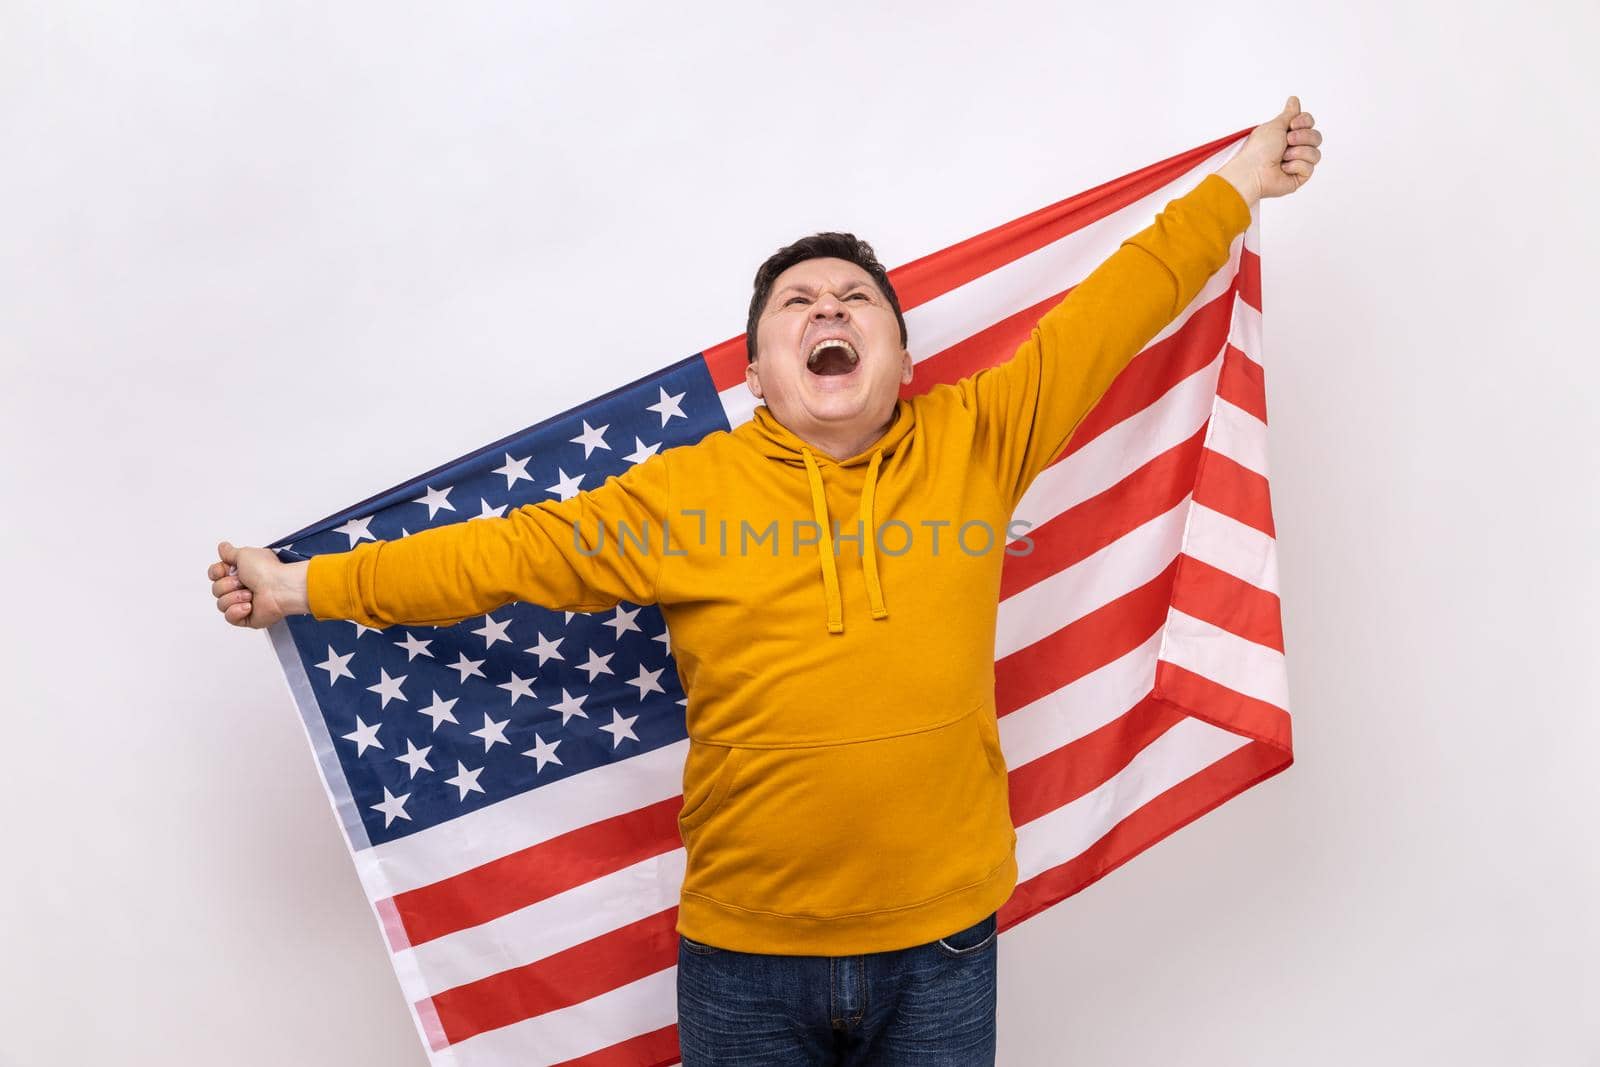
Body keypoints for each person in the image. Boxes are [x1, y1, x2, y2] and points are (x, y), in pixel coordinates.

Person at [208, 97, 1321, 1065]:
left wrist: (1241, 176)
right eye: (798, 302)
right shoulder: (684, 494)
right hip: (745, 961)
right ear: (755, 373)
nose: (828, 308)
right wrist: (301, 586)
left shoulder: (978, 437)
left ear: (903, 356)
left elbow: (1120, 300)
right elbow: (493, 556)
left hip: (941, 948)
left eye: (854, 298)